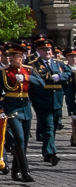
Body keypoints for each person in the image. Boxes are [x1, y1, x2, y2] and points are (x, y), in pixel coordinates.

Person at [0, 42, 44, 182]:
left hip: (25, 107)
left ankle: (15, 172)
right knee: (19, 140)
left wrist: (27, 78)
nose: (12, 58)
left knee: (24, 143)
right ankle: (25, 172)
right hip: (11, 109)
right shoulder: (3, 72)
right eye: (10, 55)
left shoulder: (29, 70)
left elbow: (41, 84)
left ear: (22, 57)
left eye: (15, 55)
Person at [28, 36, 70, 166]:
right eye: (44, 50)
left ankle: (46, 152)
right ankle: (52, 153)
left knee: (53, 128)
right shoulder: (33, 65)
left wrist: (60, 76)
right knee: (47, 126)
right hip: (41, 100)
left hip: (57, 99)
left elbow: (69, 73)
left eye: (49, 49)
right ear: (39, 51)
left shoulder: (59, 63)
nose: (48, 52)